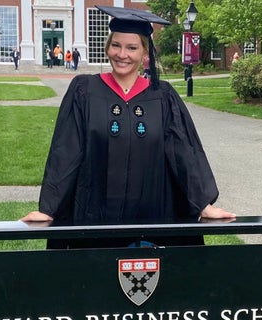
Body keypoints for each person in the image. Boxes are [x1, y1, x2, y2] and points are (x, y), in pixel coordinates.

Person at [20, 6, 235, 248]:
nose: (122, 54)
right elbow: (66, 151)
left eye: (132, 47)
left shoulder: (162, 97)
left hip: (153, 214)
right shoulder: (84, 91)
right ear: (107, 47)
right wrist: (49, 209)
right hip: (96, 214)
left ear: (145, 53)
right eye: (116, 45)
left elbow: (183, 152)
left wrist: (204, 205)